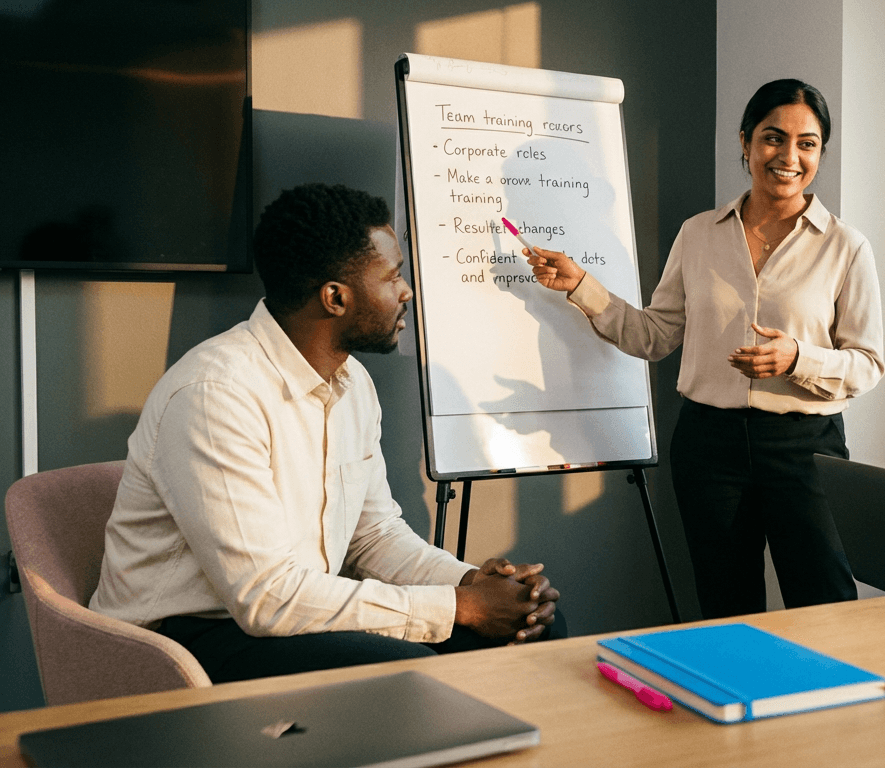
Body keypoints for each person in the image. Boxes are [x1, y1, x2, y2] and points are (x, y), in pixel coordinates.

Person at [89, 183, 561, 683]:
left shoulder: (352, 382)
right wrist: (459, 606)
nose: (406, 292)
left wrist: (475, 585)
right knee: (406, 676)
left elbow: (373, 537)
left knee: (530, 626)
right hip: (183, 640)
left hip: (287, 615)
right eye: (393, 276)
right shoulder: (215, 395)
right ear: (335, 297)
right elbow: (265, 598)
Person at [523, 79, 884, 619]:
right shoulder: (699, 235)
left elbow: (869, 363)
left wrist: (797, 359)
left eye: (807, 144)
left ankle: (832, 704)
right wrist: (581, 285)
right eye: (773, 138)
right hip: (709, 447)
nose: (789, 156)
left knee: (825, 602)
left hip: (804, 447)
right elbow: (654, 335)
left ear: (820, 154)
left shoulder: (845, 246)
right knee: (724, 605)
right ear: (745, 142)